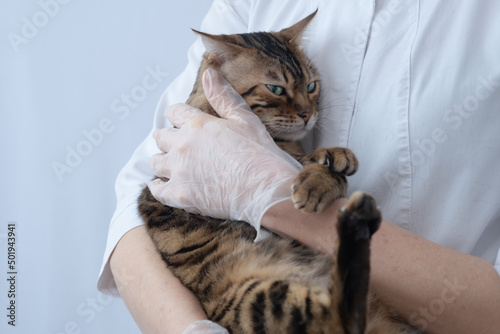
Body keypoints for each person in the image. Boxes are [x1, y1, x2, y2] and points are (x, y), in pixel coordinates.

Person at [98, 0, 500, 333]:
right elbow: (135, 198)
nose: (306, 113)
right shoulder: (243, 11)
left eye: (309, 90)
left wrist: (274, 196)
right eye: (279, 92)